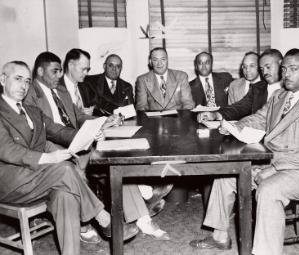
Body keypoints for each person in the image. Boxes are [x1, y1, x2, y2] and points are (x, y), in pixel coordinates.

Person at [190, 48, 299, 255]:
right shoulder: (280, 95)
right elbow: (259, 118)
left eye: (293, 69)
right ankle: (220, 237)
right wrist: (231, 126)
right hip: (274, 161)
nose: (286, 74)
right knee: (226, 174)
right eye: (284, 69)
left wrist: (273, 169)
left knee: (268, 190)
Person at [24, 51, 169, 241]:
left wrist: (101, 122)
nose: (59, 76)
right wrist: (82, 136)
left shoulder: (60, 90)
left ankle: (141, 213)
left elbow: (78, 116)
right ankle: (104, 219)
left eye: (60, 71)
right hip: (52, 146)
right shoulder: (30, 93)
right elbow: (48, 129)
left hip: (74, 139)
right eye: (55, 71)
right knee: (84, 165)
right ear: (40, 71)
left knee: (117, 154)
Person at [0, 61, 139, 255]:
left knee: (67, 196)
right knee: (65, 168)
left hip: (39, 179)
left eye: (27, 81)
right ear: (2, 79)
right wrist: (49, 157)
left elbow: (58, 131)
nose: (23, 85)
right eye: (17, 79)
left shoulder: (32, 110)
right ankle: (103, 217)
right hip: (11, 183)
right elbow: (7, 150)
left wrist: (91, 134)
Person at [197, 49, 283, 122]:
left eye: (268, 67)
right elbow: (239, 108)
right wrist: (216, 115)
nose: (265, 72)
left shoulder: (290, 88)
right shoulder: (257, 88)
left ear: (281, 64)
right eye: (262, 69)